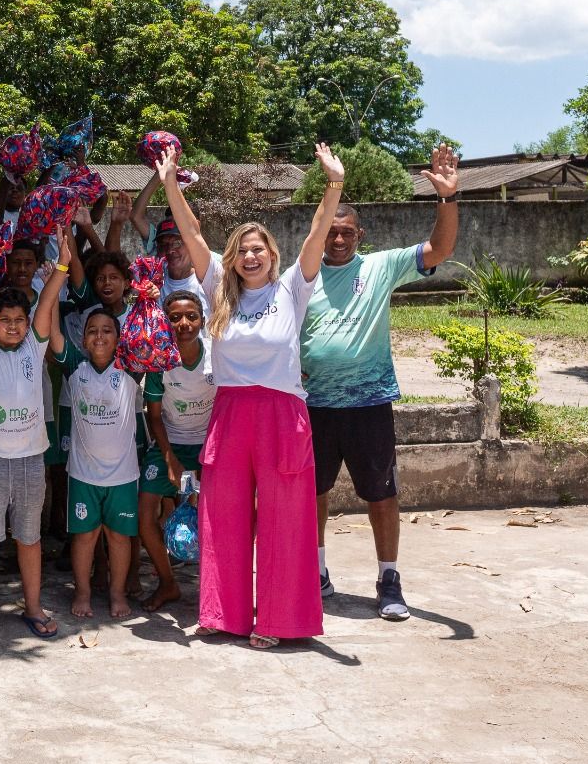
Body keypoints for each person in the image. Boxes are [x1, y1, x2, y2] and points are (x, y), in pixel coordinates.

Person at [157, 142, 345, 649]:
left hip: (282, 413)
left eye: (258, 248)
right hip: (232, 411)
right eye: (242, 249)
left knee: (286, 520)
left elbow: (315, 235)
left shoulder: (291, 288)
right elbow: (193, 233)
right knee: (224, 517)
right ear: (234, 258)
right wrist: (170, 182)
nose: (250, 255)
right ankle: (224, 614)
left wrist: (334, 184)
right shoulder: (218, 287)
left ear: (271, 255)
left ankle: (280, 621)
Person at [304, 144, 461, 619]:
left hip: (369, 403)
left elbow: (441, 249)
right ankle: (316, 571)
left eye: (346, 232)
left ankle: (388, 578)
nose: (338, 240)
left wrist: (447, 199)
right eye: (331, 231)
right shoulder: (301, 275)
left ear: (360, 235)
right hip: (312, 405)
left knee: (382, 493)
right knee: (312, 494)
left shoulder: (379, 267)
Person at [0, 222, 72, 642]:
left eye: (18, 320)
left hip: (29, 461)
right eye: (3, 320)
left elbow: (47, 301)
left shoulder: (34, 347)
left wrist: (62, 261)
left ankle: (34, 607)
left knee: (29, 537)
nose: (12, 326)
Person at [51, 307, 143, 620]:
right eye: (92, 330)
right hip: (83, 474)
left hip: (123, 474)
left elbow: (153, 338)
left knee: (118, 537)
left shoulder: (130, 366)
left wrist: (149, 296)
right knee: (85, 536)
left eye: (107, 330)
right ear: (83, 339)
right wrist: (57, 278)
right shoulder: (75, 367)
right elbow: (52, 334)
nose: (99, 336)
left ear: (119, 338)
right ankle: (83, 591)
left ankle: (117, 593)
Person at [137, 290, 214, 611]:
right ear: (165, 323)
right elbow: (154, 417)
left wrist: (205, 460)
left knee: (218, 515)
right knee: (145, 511)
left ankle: (214, 589)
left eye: (191, 316)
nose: (184, 323)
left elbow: (227, 409)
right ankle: (168, 584)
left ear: (202, 320)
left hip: (212, 443)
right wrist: (170, 460)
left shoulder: (216, 356)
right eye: (175, 317)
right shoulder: (159, 361)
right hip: (170, 441)